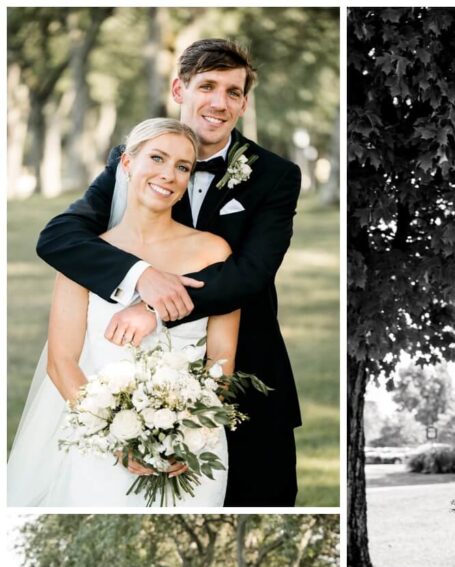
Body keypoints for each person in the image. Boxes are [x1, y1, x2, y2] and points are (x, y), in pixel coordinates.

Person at [33, 38, 302, 507]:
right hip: (125, 396)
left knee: (258, 503)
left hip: (245, 379)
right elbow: (59, 238)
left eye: (234, 92)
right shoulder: (136, 155)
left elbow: (250, 275)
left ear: (243, 103)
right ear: (179, 89)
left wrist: (155, 309)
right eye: (208, 86)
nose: (219, 103)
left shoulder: (275, 175)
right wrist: (140, 276)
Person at [7, 117, 238, 507]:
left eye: (183, 167)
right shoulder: (84, 256)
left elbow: (222, 359)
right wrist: (116, 438)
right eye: (157, 158)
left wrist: (191, 431)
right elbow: (62, 363)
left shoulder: (214, 251)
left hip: (191, 452)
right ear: (127, 165)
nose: (169, 174)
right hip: (99, 454)